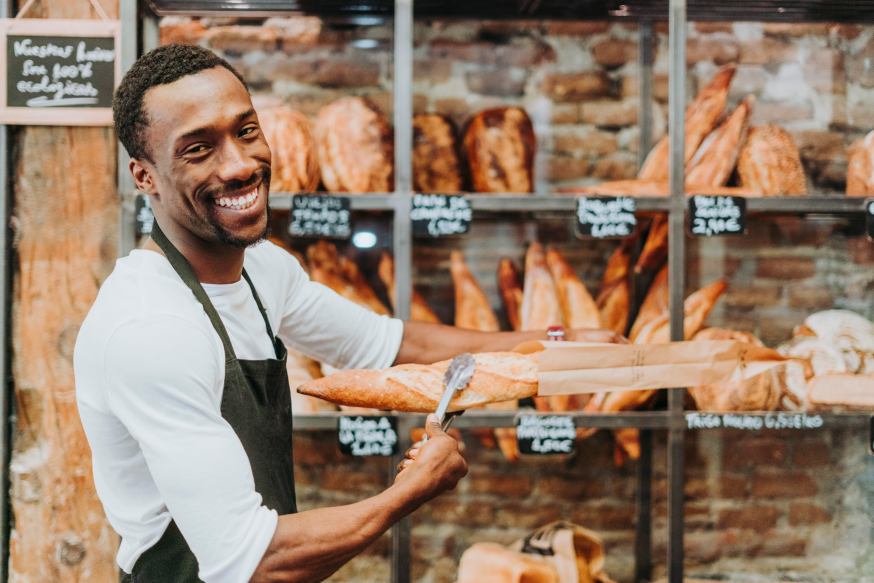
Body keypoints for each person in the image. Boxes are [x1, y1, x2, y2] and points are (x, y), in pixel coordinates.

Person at [74, 44, 623, 583]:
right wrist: (407, 493)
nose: (240, 164)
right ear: (144, 176)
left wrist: (556, 341)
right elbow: (252, 562)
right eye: (198, 149)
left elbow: (385, 344)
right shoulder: (151, 329)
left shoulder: (265, 270)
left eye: (245, 131)